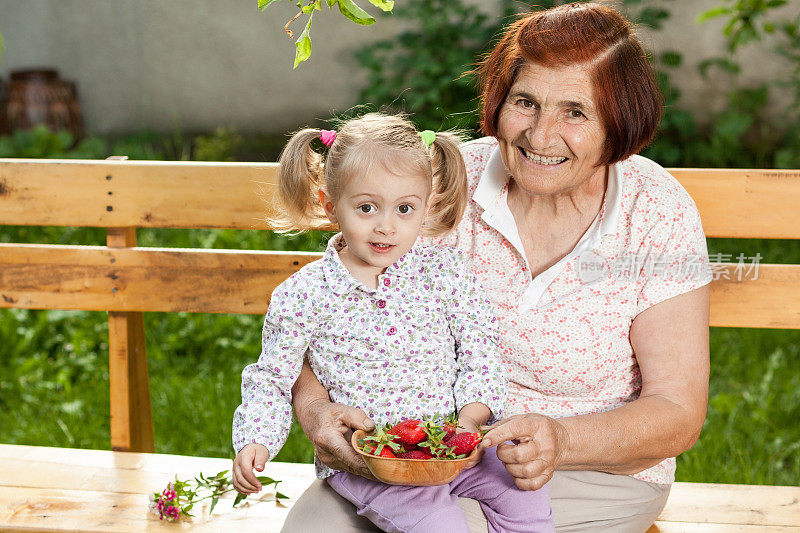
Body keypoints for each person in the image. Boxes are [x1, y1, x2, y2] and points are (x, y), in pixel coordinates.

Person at [282, 3, 713, 532]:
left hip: (593, 470)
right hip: (420, 453)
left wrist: (561, 438)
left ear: (618, 122)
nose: (540, 134)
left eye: (575, 112)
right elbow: (317, 310)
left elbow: (677, 409)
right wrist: (315, 410)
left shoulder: (656, 211)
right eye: (525, 102)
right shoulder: (442, 182)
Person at [231, 113, 554, 532]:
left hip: (452, 442)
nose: (386, 225)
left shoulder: (446, 272)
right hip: (376, 460)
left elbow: (480, 350)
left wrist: (470, 422)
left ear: (426, 205)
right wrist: (255, 440)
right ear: (331, 205)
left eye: (405, 208)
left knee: (521, 490)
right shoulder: (305, 294)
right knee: (442, 528)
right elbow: (272, 376)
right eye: (367, 207)